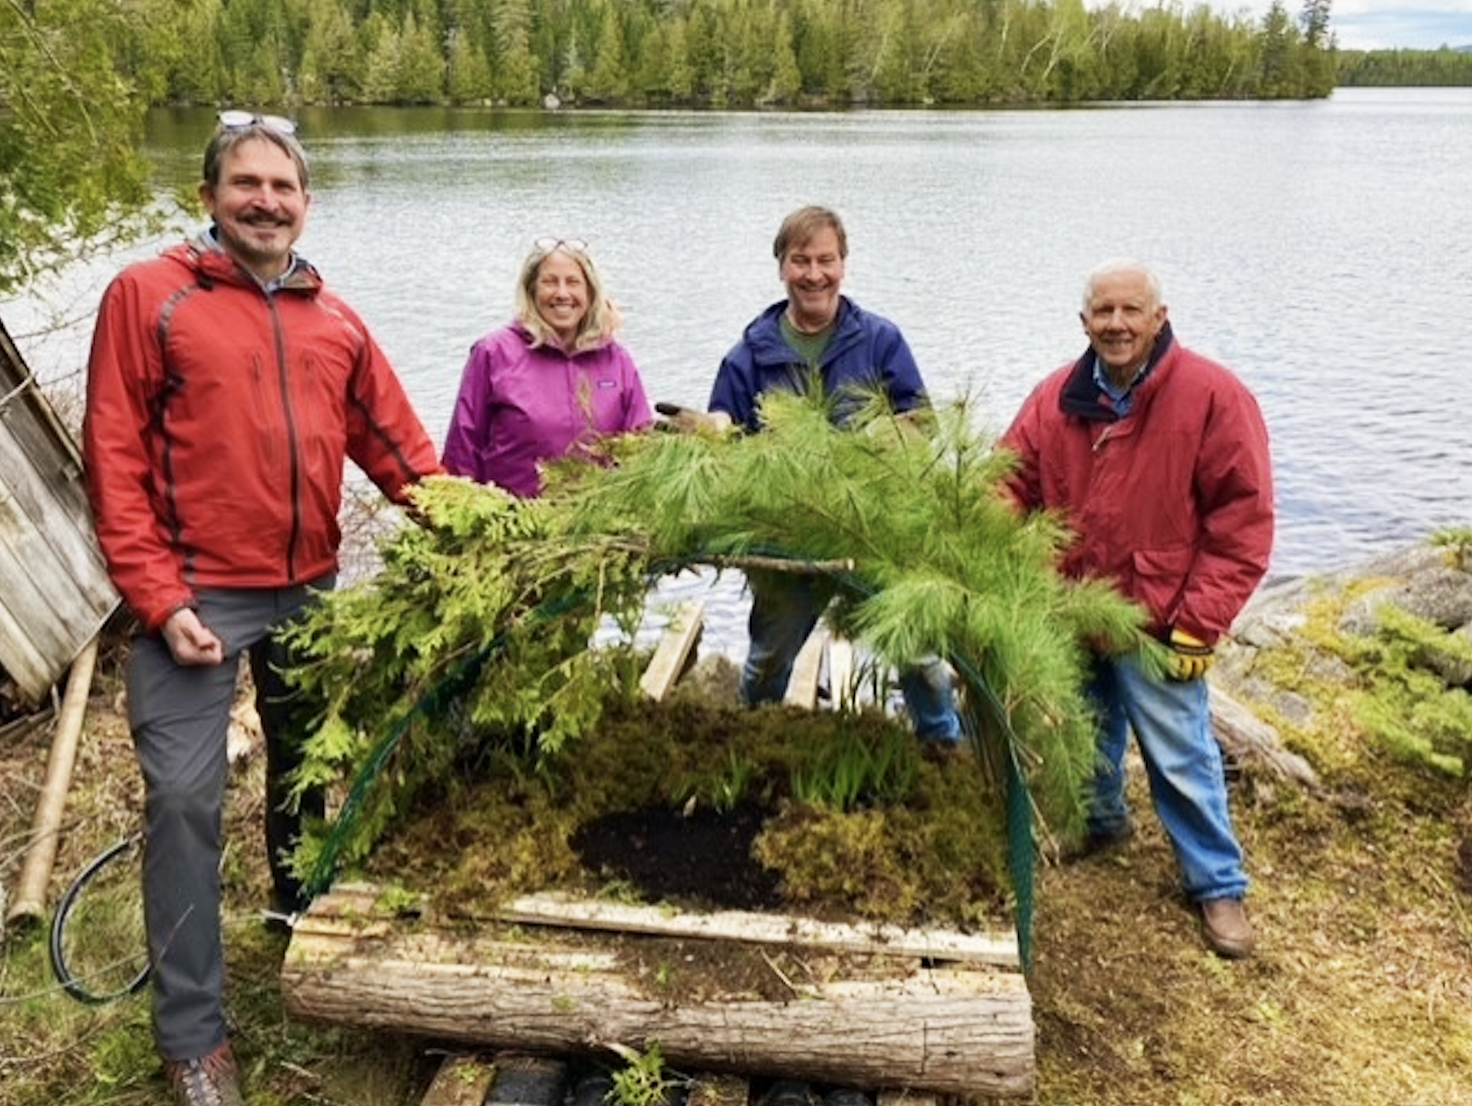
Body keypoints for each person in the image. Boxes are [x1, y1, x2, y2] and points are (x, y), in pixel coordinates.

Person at [82, 111, 441, 1106]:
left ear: (306, 204)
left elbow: (402, 452)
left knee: (304, 764)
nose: (265, 201)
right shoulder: (149, 298)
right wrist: (155, 597)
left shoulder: (335, 319)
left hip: (309, 586)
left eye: (282, 188)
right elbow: (111, 463)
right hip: (193, 594)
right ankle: (195, 1036)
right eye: (246, 183)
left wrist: (483, 531)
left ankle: (298, 906)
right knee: (189, 801)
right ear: (208, 196)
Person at [1000, 258, 1274, 960]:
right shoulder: (1055, 397)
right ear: (1084, 321)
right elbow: (1009, 485)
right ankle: (1098, 821)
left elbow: (1241, 524)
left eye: (1130, 311)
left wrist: (1199, 623)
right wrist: (1016, 570)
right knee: (1086, 727)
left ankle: (1217, 884)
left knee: (1180, 755)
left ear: (1159, 316)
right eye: (1103, 312)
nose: (1116, 325)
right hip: (1070, 606)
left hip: (1160, 618)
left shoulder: (1213, 397)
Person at [704, 205, 962, 743]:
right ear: (782, 268)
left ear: (843, 264)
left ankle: (943, 747)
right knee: (769, 661)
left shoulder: (879, 340)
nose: (814, 273)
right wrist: (713, 432)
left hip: (874, 532)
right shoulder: (749, 353)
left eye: (826, 259)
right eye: (801, 260)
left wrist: (883, 437)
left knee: (918, 653)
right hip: (786, 538)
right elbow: (724, 440)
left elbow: (924, 422)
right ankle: (756, 741)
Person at [442, 237, 652, 497]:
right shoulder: (494, 353)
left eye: (573, 282)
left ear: (590, 293)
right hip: (515, 526)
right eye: (550, 282)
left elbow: (641, 450)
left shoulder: (617, 360)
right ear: (531, 291)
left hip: (599, 528)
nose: (562, 293)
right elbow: (463, 449)